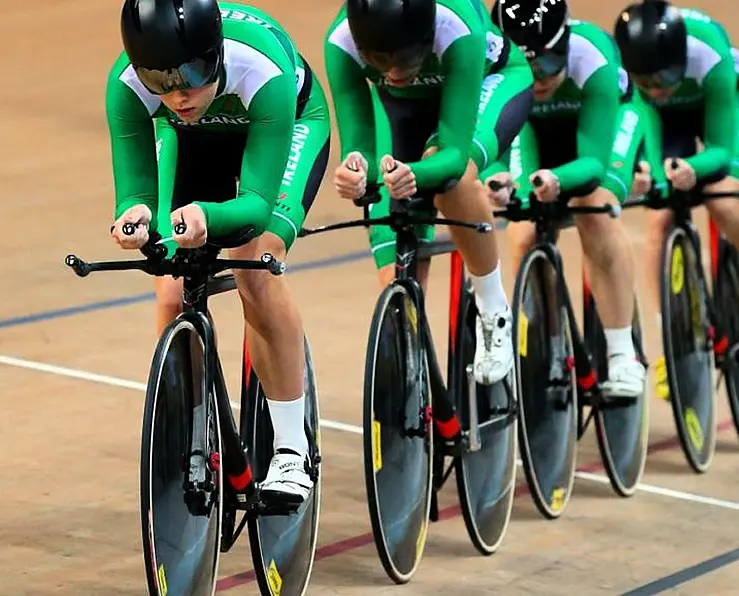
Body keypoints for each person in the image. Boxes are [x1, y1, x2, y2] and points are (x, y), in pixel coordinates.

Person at [106, 0, 331, 503]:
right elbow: (136, 193)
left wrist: (210, 216)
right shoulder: (128, 86)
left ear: (218, 53)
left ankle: (293, 451)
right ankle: (191, 431)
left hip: (282, 128)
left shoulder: (262, 68)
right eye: (160, 80)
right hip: (193, 141)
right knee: (169, 285)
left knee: (257, 265)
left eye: (193, 74)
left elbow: (251, 207)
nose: (179, 93)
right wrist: (137, 219)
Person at [323, 0, 535, 392]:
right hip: (404, 107)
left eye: (405, 56)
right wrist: (356, 172)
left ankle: (494, 310)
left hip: (490, 83)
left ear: (427, 36)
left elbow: (453, 155)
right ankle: (416, 376)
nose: (392, 70)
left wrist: (416, 173)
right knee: (395, 262)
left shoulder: (457, 29)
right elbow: (360, 147)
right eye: (378, 59)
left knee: (449, 179)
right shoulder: (341, 42)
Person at [615, 1, 739, 400]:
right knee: (659, 218)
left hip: (726, 105)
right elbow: (648, 128)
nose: (659, 87)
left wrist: (695, 166)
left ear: (681, 57)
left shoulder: (709, 51)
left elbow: (722, 150)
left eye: (667, 76)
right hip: (668, 119)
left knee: (723, 196)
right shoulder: (639, 81)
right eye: (648, 81)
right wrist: (654, 176)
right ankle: (671, 343)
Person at [484, 0, 648, 400]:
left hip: (599, 133)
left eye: (549, 64)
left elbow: (593, 160)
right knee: (522, 231)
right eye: (530, 69)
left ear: (566, 43)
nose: (539, 79)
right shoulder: (493, 60)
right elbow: (496, 141)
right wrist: (499, 179)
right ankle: (548, 341)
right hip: (534, 131)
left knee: (594, 208)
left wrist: (560, 178)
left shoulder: (592, 59)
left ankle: (624, 354)